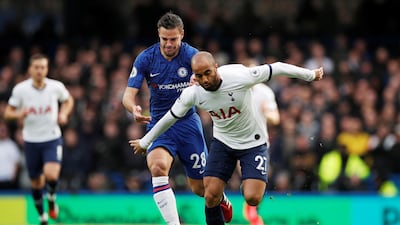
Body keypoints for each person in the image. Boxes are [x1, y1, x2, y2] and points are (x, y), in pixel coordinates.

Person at [130, 51, 324, 225]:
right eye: (199, 75)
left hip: (253, 143)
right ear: (194, 77)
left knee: (252, 198)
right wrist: (146, 141)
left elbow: (278, 68)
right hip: (223, 143)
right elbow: (169, 117)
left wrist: (310, 75)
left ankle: (248, 180)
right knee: (210, 194)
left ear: (216, 68)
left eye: (208, 73)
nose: (205, 79)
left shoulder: (239, 75)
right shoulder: (193, 93)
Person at [122, 13, 232, 225]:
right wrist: (133, 109)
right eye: (164, 39)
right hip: (160, 125)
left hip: (188, 125)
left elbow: (212, 83)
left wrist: (200, 85)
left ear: (182, 34)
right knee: (157, 167)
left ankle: (222, 198)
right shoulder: (146, 58)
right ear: (158, 35)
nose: (169, 44)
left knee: (201, 189)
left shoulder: (193, 56)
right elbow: (128, 95)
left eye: (173, 39)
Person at [3, 53, 74, 225]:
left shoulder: (55, 87)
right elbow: (7, 113)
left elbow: (68, 100)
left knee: (51, 175)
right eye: (36, 67)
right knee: (36, 183)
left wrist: (64, 113)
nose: (40, 71)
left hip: (51, 138)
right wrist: (19, 113)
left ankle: (51, 198)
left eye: (43, 67)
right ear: (30, 69)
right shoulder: (21, 90)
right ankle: (42, 216)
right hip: (31, 141)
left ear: (47, 69)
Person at [243, 83, 280, 225]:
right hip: (234, 144)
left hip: (257, 147)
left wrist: (267, 113)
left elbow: (275, 118)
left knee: (252, 195)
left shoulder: (264, 92)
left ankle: (254, 214)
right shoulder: (233, 88)